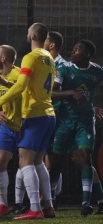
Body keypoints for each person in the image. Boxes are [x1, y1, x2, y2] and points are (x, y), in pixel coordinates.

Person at [0, 22, 56, 220]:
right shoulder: (48, 57)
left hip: (34, 114)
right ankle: (48, 206)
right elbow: (34, 84)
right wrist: (8, 84)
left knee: (25, 162)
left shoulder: (30, 57)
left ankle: (35, 209)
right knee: (38, 162)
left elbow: (22, 86)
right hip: (49, 114)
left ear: (32, 36)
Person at [48, 40, 103, 216]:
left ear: (87, 54)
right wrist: (70, 92)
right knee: (56, 161)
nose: (73, 51)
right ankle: (51, 200)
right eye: (73, 48)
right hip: (65, 121)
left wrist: (92, 106)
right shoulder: (65, 69)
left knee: (86, 157)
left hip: (85, 122)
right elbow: (51, 93)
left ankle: (86, 203)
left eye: (77, 49)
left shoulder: (97, 71)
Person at [0, 45, 23, 216]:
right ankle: (3, 204)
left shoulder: (20, 74)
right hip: (6, 126)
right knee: (0, 162)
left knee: (26, 165)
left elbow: (24, 94)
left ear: (3, 58)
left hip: (25, 125)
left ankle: (21, 202)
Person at [43, 31, 66, 205]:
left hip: (57, 114)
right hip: (46, 112)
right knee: (47, 155)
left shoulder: (60, 64)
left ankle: (52, 195)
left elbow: (53, 88)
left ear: (51, 45)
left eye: (46, 40)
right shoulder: (46, 61)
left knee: (53, 155)